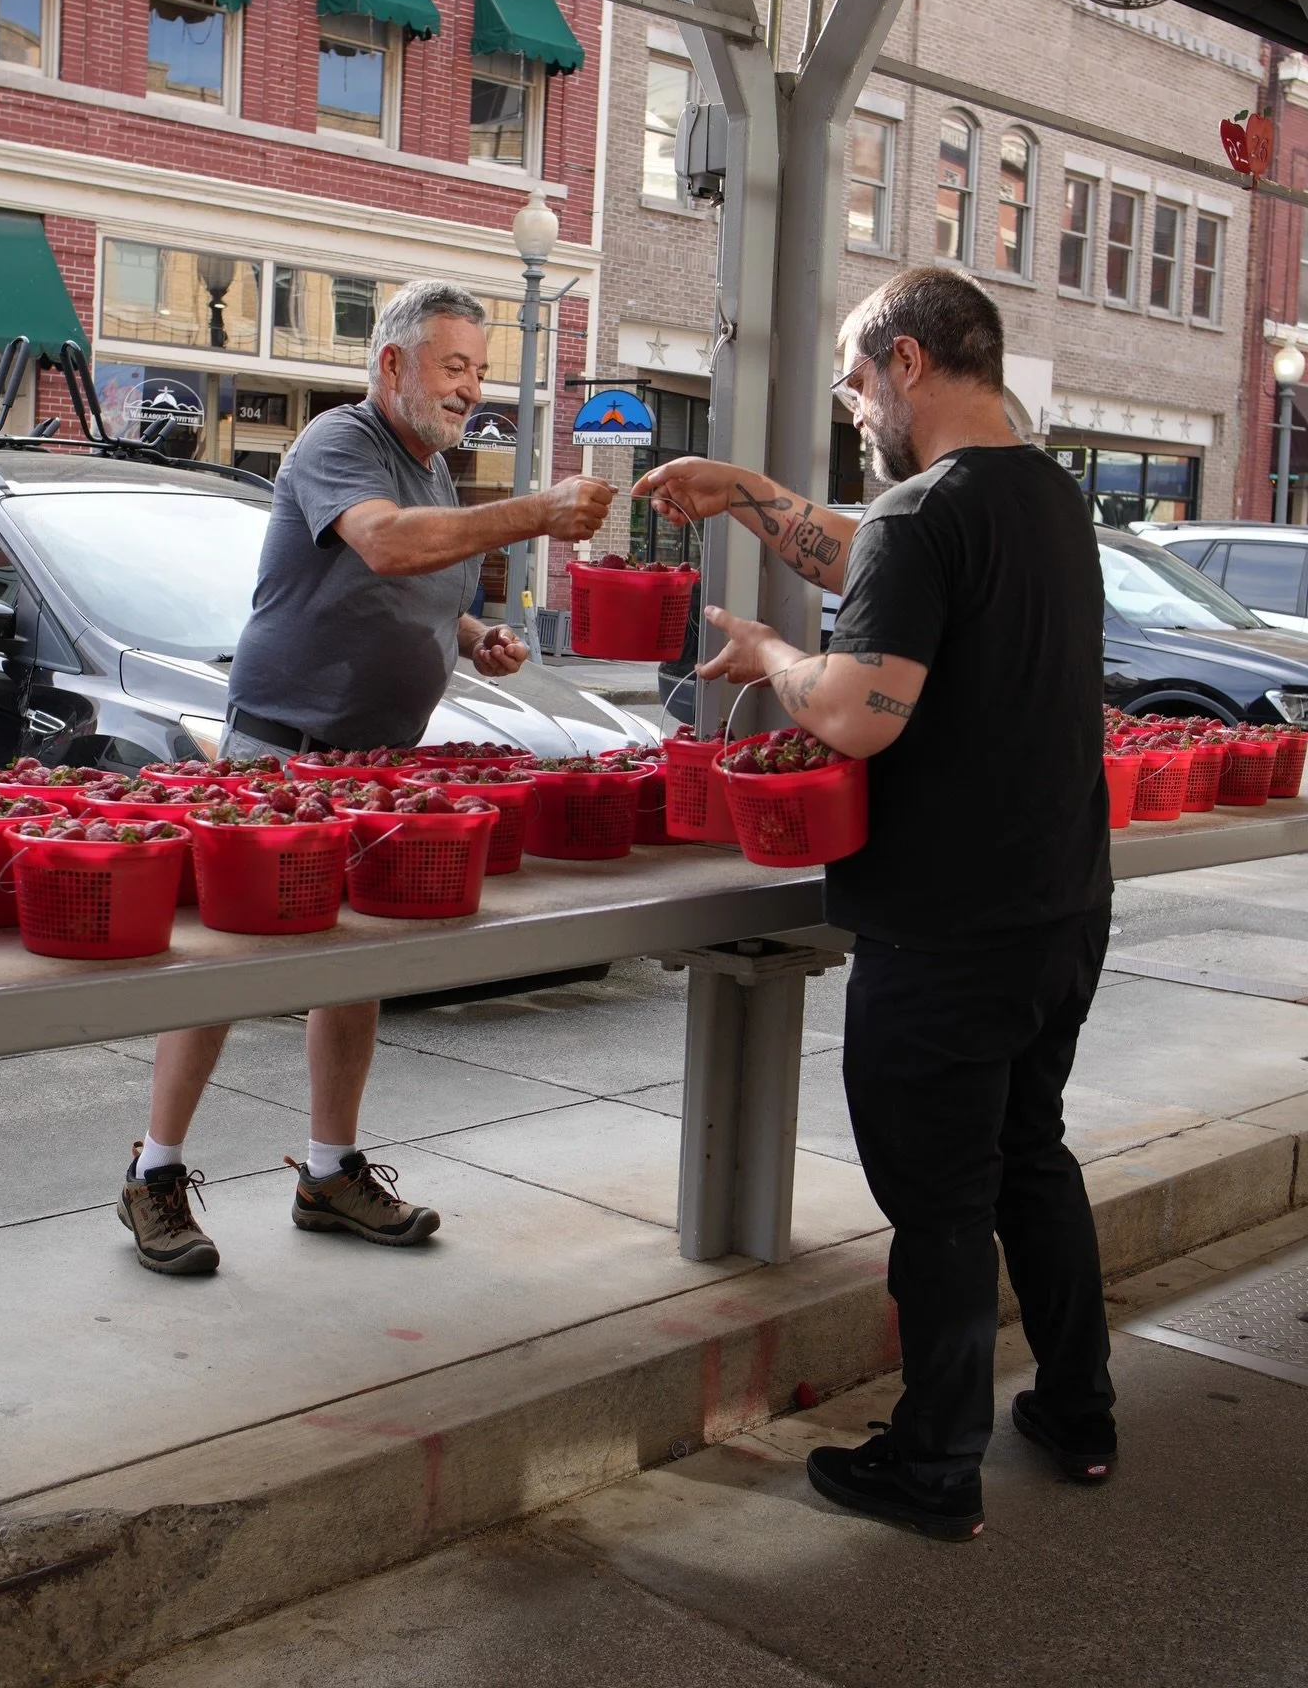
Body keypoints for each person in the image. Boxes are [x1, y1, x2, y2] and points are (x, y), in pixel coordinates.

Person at [635, 267, 1113, 1541]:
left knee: (944, 1205)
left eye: (855, 382)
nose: (852, 408)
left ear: (905, 362)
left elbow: (856, 710)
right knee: (1031, 1160)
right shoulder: (1048, 502)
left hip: (948, 929)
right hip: (1060, 908)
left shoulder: (924, 513)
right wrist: (743, 494)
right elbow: (888, 558)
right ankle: (1078, 1414)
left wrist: (778, 656)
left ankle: (934, 1463)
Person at [119, 279, 614, 1276]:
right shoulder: (337, 443)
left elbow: (419, 580)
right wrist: (537, 513)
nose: (471, 387)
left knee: (359, 972)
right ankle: (154, 1175)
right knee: (225, 963)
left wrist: (478, 635)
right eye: (453, 365)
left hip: (377, 761)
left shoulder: (434, 470)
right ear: (391, 365)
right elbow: (384, 546)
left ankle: (330, 1173)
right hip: (283, 747)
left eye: (479, 368)